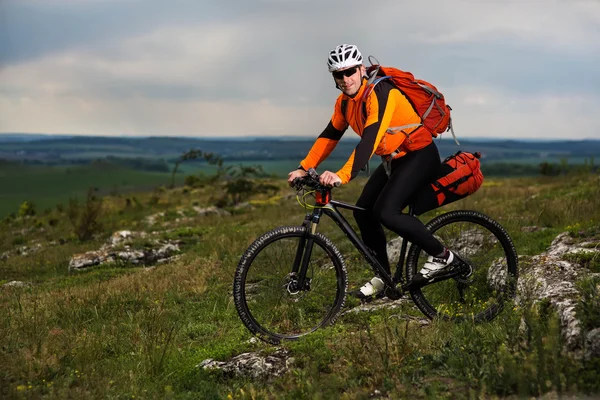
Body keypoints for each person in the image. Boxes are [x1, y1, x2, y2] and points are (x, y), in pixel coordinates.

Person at [287, 43, 461, 302]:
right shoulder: (344, 103)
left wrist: (342, 175)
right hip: (393, 160)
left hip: (420, 155)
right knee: (365, 212)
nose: (345, 79)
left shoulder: (381, 92)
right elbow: (330, 135)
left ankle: (444, 257)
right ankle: (384, 277)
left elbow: (370, 139)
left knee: (386, 212)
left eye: (350, 72)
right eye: (339, 75)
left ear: (361, 69)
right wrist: (304, 167)